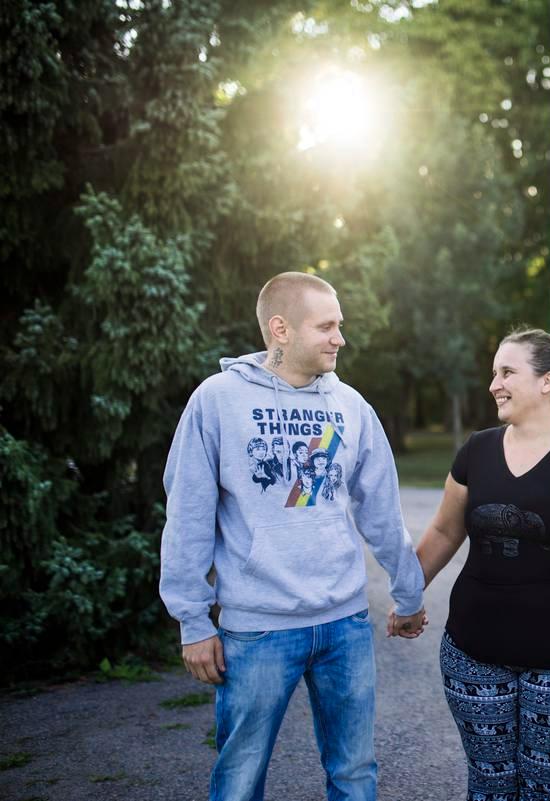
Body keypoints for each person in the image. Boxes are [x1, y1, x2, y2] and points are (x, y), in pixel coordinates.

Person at [159, 271, 428, 801]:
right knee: (239, 781)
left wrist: (409, 591)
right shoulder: (218, 400)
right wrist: (192, 618)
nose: (340, 339)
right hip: (257, 629)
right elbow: (188, 512)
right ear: (279, 328)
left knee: (354, 774)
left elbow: (381, 511)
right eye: (326, 327)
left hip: (344, 624)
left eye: (340, 326)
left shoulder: (350, 406)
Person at [407, 328, 550, 801]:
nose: (494, 384)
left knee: (547, 787)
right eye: (494, 373)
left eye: (507, 372)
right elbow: (446, 531)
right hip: (472, 654)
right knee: (489, 784)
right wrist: (407, 595)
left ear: (547, 381)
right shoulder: (477, 450)